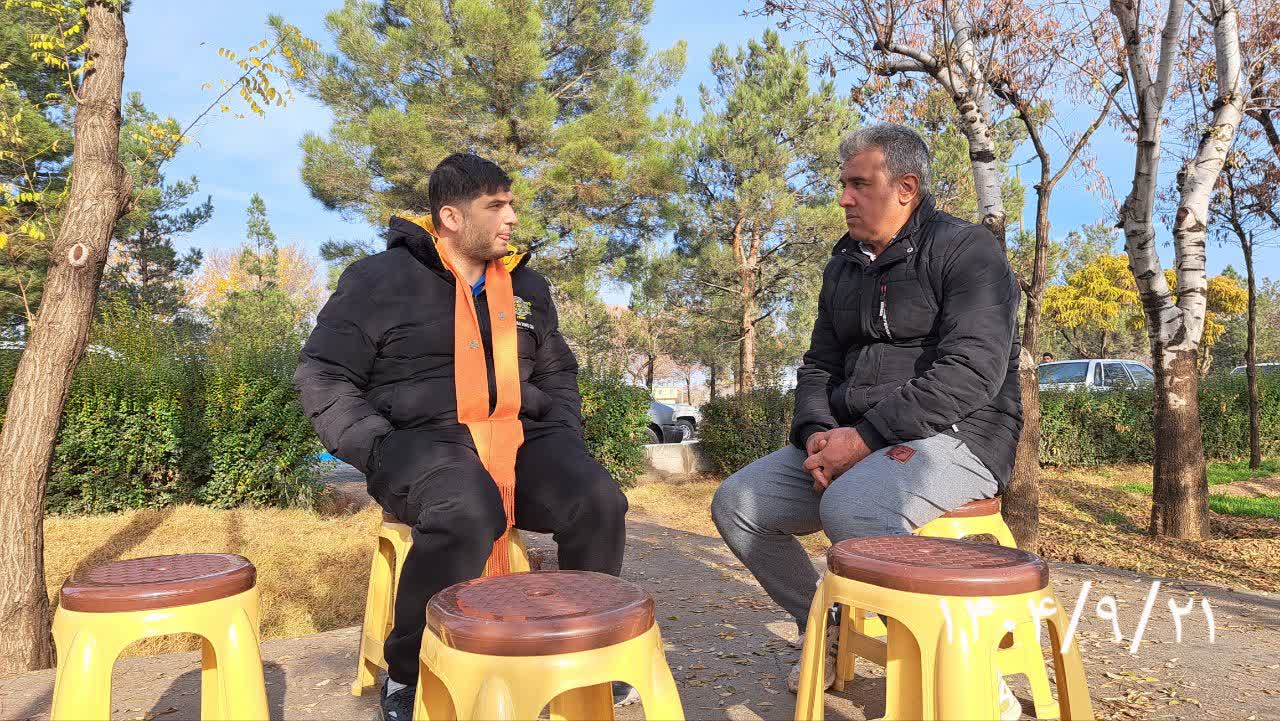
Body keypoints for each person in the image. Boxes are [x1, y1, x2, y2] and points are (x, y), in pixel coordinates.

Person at [295, 153, 631, 720]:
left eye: (511, 204)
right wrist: (376, 447)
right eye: (496, 206)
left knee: (598, 501)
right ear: (451, 217)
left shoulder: (525, 286)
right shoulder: (378, 280)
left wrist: (564, 437)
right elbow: (323, 374)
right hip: (423, 441)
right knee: (467, 510)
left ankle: (581, 649)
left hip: (521, 435)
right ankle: (411, 670)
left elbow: (557, 372)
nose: (512, 218)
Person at [710, 124, 1024, 718]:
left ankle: (969, 674)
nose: (844, 199)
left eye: (859, 184)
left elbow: (972, 373)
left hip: (961, 434)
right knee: (738, 504)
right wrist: (815, 433)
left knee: (852, 507)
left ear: (906, 188)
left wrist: (865, 438)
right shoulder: (844, 266)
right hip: (856, 438)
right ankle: (823, 625)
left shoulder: (967, 250)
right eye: (843, 184)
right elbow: (819, 365)